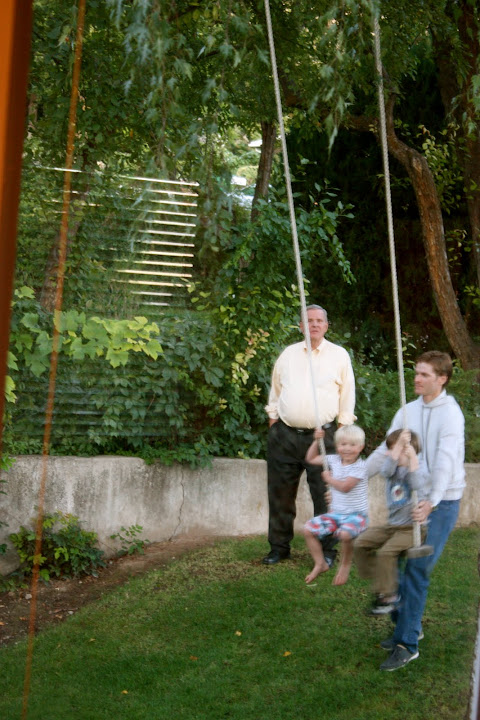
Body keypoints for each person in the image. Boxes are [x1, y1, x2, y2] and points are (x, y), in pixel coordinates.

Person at [365, 351, 465, 671]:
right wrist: (354, 477)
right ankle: (408, 625)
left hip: (442, 502)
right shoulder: (407, 411)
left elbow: (446, 461)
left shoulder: (451, 415)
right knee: (391, 558)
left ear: (442, 379)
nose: (417, 378)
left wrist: (432, 501)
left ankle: (407, 644)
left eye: (424, 374)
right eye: (416, 372)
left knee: (417, 570)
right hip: (410, 501)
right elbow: (384, 450)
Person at [263, 304, 356, 565]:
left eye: (319, 321)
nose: (314, 324)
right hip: (285, 436)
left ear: (326, 326)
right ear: (301, 326)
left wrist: (342, 429)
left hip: (322, 437)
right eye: (309, 320)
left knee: (325, 496)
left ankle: (327, 551)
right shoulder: (288, 354)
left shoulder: (338, 355)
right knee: (280, 495)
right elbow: (276, 390)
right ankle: (279, 548)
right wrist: (273, 421)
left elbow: (347, 396)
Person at [354, 429, 428, 614]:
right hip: (392, 526)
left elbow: (416, 484)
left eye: (396, 450)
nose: (390, 454)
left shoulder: (419, 468)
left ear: (410, 450)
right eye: (390, 450)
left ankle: (388, 597)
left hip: (412, 529)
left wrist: (412, 460)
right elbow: (385, 471)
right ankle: (382, 578)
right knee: (360, 543)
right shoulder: (392, 469)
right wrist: (397, 449)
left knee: (385, 553)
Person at [304, 425, 368, 586]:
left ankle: (345, 565)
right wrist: (316, 441)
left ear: (361, 447)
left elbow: (346, 487)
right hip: (336, 514)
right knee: (308, 529)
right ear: (337, 445)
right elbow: (311, 459)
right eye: (343, 444)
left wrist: (329, 479)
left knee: (345, 535)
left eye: (352, 445)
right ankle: (320, 563)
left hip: (357, 516)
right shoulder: (333, 460)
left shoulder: (361, 466)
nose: (347, 448)